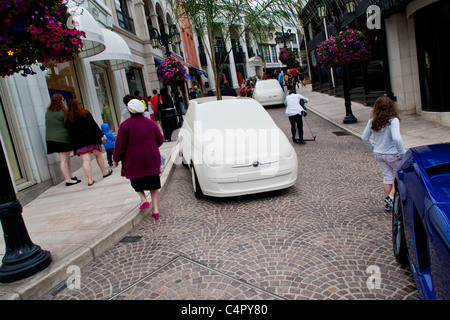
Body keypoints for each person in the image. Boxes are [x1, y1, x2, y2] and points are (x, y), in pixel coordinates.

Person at [113, 99, 164, 219]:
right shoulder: (150, 122)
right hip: (151, 158)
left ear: (129, 111)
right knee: (153, 184)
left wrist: (116, 159)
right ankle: (155, 209)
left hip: (133, 160)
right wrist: (151, 146)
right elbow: (160, 139)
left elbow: (119, 146)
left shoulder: (125, 126)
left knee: (136, 182)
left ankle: (143, 199)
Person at [362, 96, 405, 211]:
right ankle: (391, 197)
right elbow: (396, 138)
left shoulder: (373, 120)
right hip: (392, 154)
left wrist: (374, 148)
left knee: (387, 177)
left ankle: (388, 203)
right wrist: (402, 153)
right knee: (400, 176)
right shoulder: (393, 120)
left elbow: (364, 138)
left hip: (379, 154)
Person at [65, 98, 113, 186]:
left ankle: (90, 180)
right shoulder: (85, 113)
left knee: (86, 160)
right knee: (98, 155)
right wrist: (102, 135)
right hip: (92, 139)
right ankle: (104, 172)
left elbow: (69, 132)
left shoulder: (68, 118)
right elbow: (93, 125)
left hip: (79, 142)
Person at [45, 94, 81, 186]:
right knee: (64, 159)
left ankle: (69, 175)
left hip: (51, 139)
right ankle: (68, 179)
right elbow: (68, 123)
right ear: (61, 101)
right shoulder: (62, 111)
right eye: (63, 100)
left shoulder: (48, 112)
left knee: (66, 158)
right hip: (62, 139)